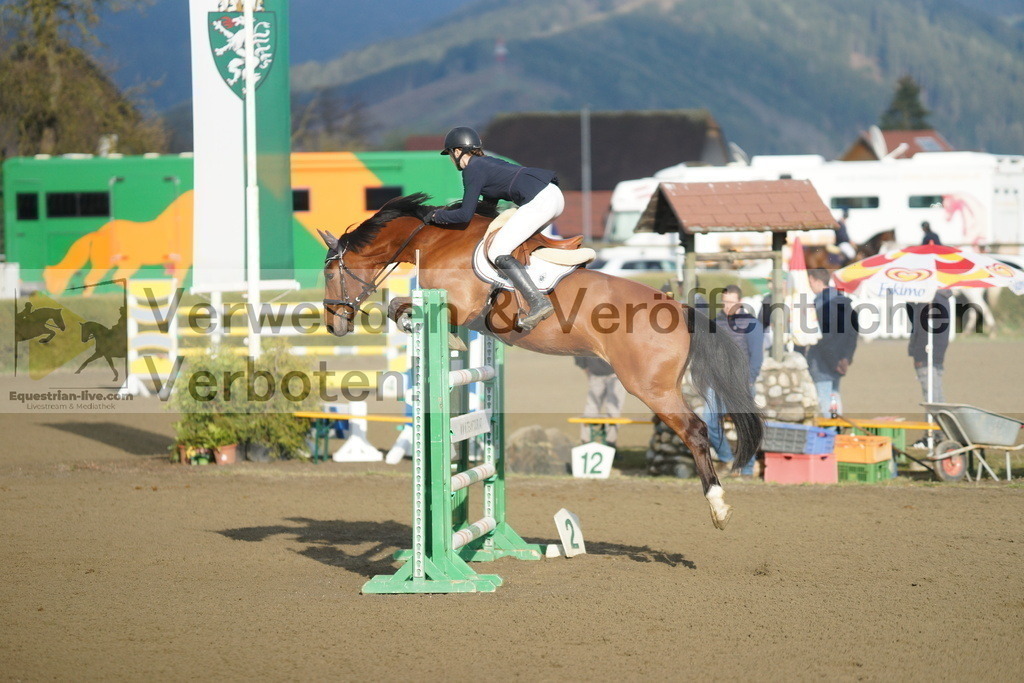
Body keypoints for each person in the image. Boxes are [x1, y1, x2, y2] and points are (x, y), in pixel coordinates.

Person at [426, 126, 563, 331]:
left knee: (498, 250)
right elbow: (488, 207)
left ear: (457, 151)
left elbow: (465, 215)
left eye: (450, 154)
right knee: (512, 242)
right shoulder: (486, 164)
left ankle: (538, 302)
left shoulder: (472, 169)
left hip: (541, 200)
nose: (450, 159)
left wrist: (436, 215)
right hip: (551, 196)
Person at [703, 285, 763, 476]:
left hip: (741, 384)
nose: (727, 306)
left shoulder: (751, 324)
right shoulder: (714, 324)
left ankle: (746, 469)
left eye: (731, 302)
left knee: (745, 427)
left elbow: (756, 357)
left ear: (739, 302)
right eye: (725, 302)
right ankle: (728, 459)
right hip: (718, 383)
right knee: (709, 419)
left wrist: (750, 380)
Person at [805, 269, 859, 416]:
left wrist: (834, 362)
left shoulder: (821, 305)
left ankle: (830, 434)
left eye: (810, 282)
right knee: (834, 396)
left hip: (824, 361)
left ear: (815, 280)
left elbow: (824, 338)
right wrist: (846, 358)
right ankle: (836, 431)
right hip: (840, 358)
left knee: (824, 400)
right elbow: (852, 334)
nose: (810, 286)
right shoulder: (845, 303)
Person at [907, 290, 952, 403]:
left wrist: (918, 355)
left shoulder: (930, 299)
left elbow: (921, 328)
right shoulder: (942, 299)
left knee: (933, 403)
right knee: (938, 401)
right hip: (936, 355)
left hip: (926, 356)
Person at [574, 355, 627, 448]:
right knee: (613, 409)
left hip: (597, 372)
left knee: (592, 407)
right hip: (616, 372)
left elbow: (579, 345)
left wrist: (583, 366)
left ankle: (585, 441)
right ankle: (610, 443)